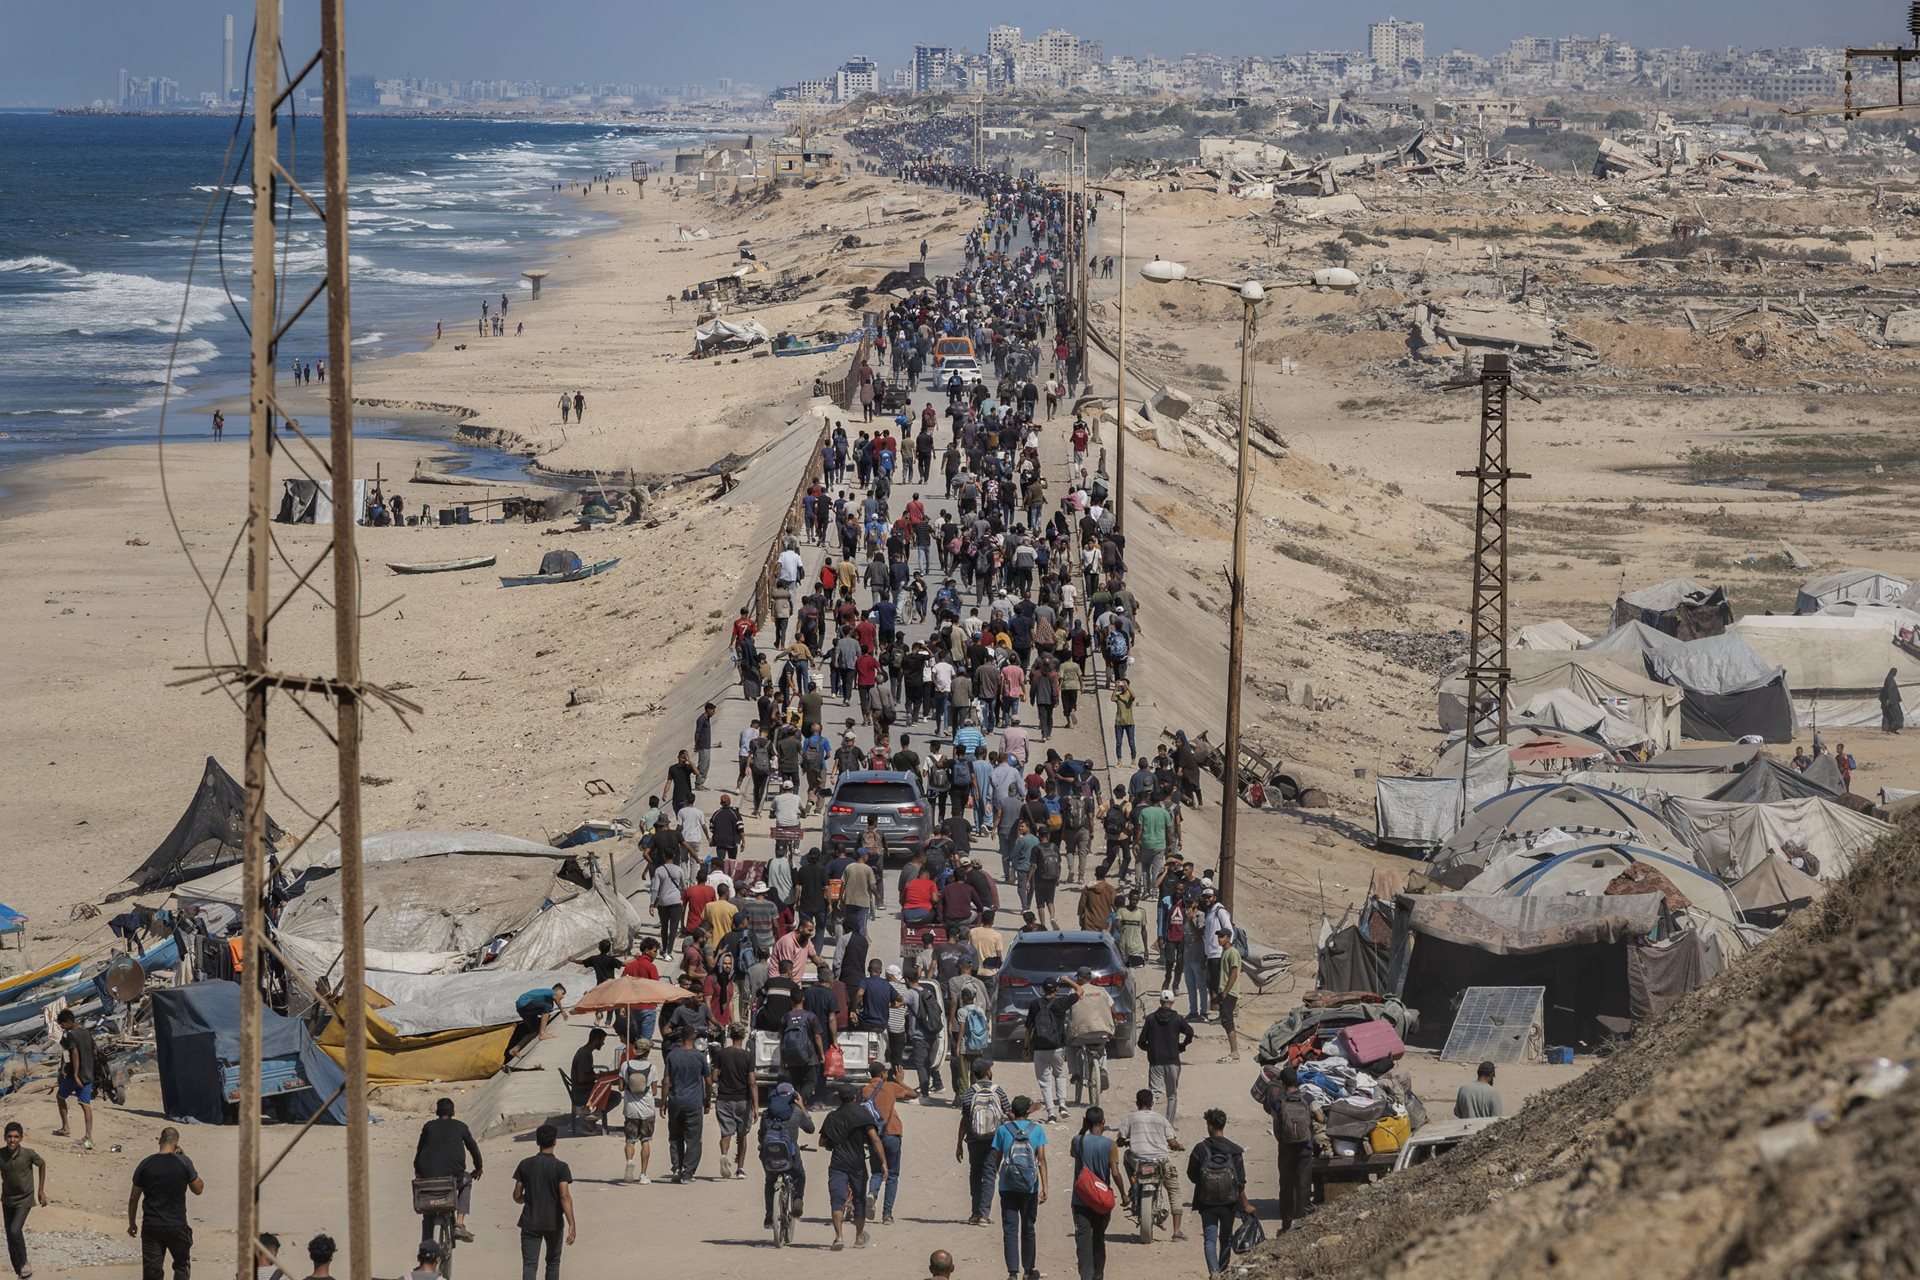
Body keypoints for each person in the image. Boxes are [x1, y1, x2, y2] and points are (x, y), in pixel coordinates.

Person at [1186, 1109, 1254, 1280]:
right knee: (1226, 1238)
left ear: (1209, 1126)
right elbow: (1240, 1182)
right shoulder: (1235, 1150)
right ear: (1223, 1125)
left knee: (1210, 1239)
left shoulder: (1200, 1149)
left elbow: (1191, 1175)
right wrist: (1246, 1204)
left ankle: (1214, 1271)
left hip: (1206, 1202)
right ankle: (1223, 1272)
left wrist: (1206, 1184)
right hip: (1229, 1203)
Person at [128, 1127, 204, 1280]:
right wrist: (186, 1162)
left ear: (159, 1141)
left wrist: (132, 1223)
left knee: (152, 1272)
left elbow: (133, 1198)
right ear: (176, 1143)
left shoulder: (146, 1163)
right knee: (181, 1267)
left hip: (152, 1225)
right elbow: (198, 1189)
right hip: (177, 1225)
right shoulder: (183, 1162)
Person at [821, 1084, 888, 1251]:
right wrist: (883, 1162)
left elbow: (822, 1142)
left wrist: (834, 1140)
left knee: (837, 1200)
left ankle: (839, 1237)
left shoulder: (832, 1116)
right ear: (855, 1096)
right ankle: (858, 1236)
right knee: (859, 1200)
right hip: (857, 1164)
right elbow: (875, 1139)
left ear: (839, 1098)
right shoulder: (863, 1114)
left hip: (838, 1163)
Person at [991, 1094, 1049, 1280]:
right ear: (1028, 1111)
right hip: (1029, 1187)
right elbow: (1041, 1160)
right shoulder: (1037, 1130)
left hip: (1007, 1187)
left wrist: (998, 1177)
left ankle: (1012, 1272)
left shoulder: (1003, 1130)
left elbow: (997, 1159)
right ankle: (1029, 1270)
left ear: (1013, 1111)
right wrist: (1045, 1187)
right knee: (1028, 1228)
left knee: (1010, 1229)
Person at [1116, 1089, 1185, 1243]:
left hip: (1138, 1161)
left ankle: (1134, 1184)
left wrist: (1124, 1141)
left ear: (1137, 1103)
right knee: (1174, 1190)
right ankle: (1177, 1232)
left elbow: (1120, 1141)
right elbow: (1172, 1142)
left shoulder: (1130, 1118)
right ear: (1152, 1104)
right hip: (1161, 1161)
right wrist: (1178, 1146)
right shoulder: (1161, 1119)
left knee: (1126, 1156)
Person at [511, 1124, 575, 1280]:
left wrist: (528, 1198)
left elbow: (517, 1195)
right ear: (555, 1141)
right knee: (553, 1263)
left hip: (530, 1221)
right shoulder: (561, 1167)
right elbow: (564, 1196)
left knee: (529, 1265)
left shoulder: (525, 1164)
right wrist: (571, 1222)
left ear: (537, 1142)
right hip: (553, 1222)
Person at [414, 1098, 483, 1242]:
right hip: (455, 1178)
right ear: (453, 1112)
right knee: (467, 1180)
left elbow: (419, 1150)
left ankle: (425, 1246)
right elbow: (473, 1149)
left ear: (437, 1112)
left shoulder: (428, 1127)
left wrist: (418, 1171)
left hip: (429, 1178)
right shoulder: (460, 1126)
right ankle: (459, 1223)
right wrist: (478, 1168)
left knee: (428, 1208)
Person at [1069, 1107, 1125, 1280]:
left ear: (1086, 1121)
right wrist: (1124, 1194)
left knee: (1083, 1241)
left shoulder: (1078, 1140)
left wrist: (1082, 1129)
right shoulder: (1110, 1145)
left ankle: (1085, 1276)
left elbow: (1072, 1153)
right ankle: (1098, 1276)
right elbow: (1115, 1173)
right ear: (1103, 1121)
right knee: (1098, 1239)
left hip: (1081, 1200)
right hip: (1101, 1201)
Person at [957, 1060, 1012, 1226]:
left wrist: (959, 1144)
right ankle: (984, 1215)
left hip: (973, 1140)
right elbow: (1010, 1114)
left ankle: (975, 1213)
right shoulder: (998, 1091)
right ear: (988, 1072)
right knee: (989, 1174)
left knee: (975, 1173)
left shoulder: (969, 1093)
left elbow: (965, 1120)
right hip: (993, 1141)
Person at [862, 1062, 916, 1225]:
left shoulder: (864, 1090)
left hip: (873, 1135)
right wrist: (900, 1081)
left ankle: (872, 1192)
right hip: (892, 1132)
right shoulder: (891, 1087)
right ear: (883, 1074)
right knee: (892, 1175)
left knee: (877, 1171)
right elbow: (914, 1094)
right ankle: (887, 1215)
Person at [758, 1082, 816, 1229]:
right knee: (800, 1175)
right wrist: (802, 1107)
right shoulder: (797, 1112)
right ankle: (798, 1198)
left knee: (770, 1182)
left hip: (770, 1156)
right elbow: (810, 1129)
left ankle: (769, 1217)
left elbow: (761, 1136)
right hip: (791, 1155)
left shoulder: (766, 1114)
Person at [664, 1027, 714, 1182]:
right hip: (693, 1103)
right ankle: (687, 1172)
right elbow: (709, 1082)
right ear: (694, 1037)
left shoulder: (672, 1055)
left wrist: (664, 1101)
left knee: (675, 1137)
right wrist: (707, 1101)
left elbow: (666, 1081)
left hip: (675, 1102)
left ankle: (676, 1168)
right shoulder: (699, 1056)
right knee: (693, 1139)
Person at [1271, 1064, 1315, 1232]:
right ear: (1297, 1081)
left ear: (1282, 1083)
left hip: (1286, 1149)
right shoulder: (1307, 1097)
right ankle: (1302, 1221)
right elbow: (1320, 1116)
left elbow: (1276, 1127)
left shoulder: (1277, 1101)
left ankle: (1286, 1224)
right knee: (1303, 1184)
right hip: (1305, 1147)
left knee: (1286, 1186)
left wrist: (1283, 1141)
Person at [1138, 991, 1195, 1122]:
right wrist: (1182, 1045)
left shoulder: (1151, 1019)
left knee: (1154, 1094)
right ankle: (1169, 1124)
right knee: (1172, 1095)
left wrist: (1150, 1049)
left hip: (1156, 1061)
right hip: (1173, 1061)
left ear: (1160, 1002)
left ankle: (1148, 1121)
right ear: (1173, 1002)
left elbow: (1141, 1042)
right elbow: (1190, 1032)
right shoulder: (1178, 1019)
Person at [1, 1123, 47, 1280]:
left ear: (21, 1138)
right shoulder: (1, 1154)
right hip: (7, 1200)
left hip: (25, 1199)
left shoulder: (28, 1154)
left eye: (16, 1137)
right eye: (9, 1137)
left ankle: (25, 1263)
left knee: (15, 1230)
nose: (12, 1140)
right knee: (10, 1237)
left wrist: (41, 1190)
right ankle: (21, 1272)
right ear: (5, 1138)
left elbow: (42, 1164)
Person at [1026, 978, 1074, 1123]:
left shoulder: (1035, 1004)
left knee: (1044, 1081)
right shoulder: (1061, 1002)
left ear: (1042, 989)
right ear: (1056, 989)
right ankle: (1062, 1105)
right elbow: (1080, 991)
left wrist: (1026, 1047)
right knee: (1059, 1075)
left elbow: (1028, 1028)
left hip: (1039, 1047)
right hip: (1057, 1047)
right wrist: (1067, 980)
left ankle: (1051, 1114)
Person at [715, 1023, 758, 1180]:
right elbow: (752, 1083)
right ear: (743, 1036)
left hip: (724, 1098)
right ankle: (740, 1169)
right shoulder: (748, 1056)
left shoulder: (721, 1054)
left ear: (730, 1036)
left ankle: (724, 1154)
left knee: (726, 1133)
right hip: (743, 1100)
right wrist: (756, 1107)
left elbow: (714, 1076)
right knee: (742, 1134)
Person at [54, 1009, 96, 1149]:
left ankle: (65, 1127)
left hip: (75, 1075)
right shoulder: (86, 1031)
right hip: (89, 1073)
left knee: (60, 1096)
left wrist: (76, 1075)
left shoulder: (72, 1035)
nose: (62, 1027)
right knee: (85, 1104)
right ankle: (88, 1136)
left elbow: (75, 1054)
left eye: (62, 1024)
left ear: (68, 1022)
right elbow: (94, 1051)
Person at [618, 1043, 657, 1184]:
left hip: (630, 1109)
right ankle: (643, 1174)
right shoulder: (652, 1068)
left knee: (630, 1140)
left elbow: (621, 1087)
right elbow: (654, 1091)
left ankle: (629, 1161)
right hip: (647, 1109)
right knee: (645, 1140)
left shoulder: (625, 1065)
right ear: (647, 1051)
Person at [568, 1028, 609, 1133]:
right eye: (602, 1040)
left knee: (606, 1090)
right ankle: (591, 1118)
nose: (603, 1043)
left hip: (584, 1089)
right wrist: (596, 1077)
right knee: (613, 1097)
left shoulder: (586, 1052)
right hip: (581, 1093)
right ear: (596, 1040)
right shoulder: (584, 1055)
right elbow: (582, 1079)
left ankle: (592, 1117)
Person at [1213, 929, 1244, 1063]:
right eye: (1219, 936)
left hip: (1230, 992)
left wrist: (1226, 991)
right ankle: (1233, 1051)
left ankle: (1235, 1051)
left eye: (1222, 936)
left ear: (1229, 937)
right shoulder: (1225, 952)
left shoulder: (1232, 953)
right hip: (1224, 991)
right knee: (1226, 1020)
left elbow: (1234, 973)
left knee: (1227, 1020)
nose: (1219, 939)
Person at [511, 984, 567, 1055]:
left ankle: (516, 1048)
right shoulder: (550, 991)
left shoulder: (546, 1000)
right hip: (525, 1002)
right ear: (556, 990)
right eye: (562, 993)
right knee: (548, 1006)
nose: (563, 996)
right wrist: (562, 1011)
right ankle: (543, 1033)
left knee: (535, 1031)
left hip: (522, 1009)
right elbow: (555, 998)